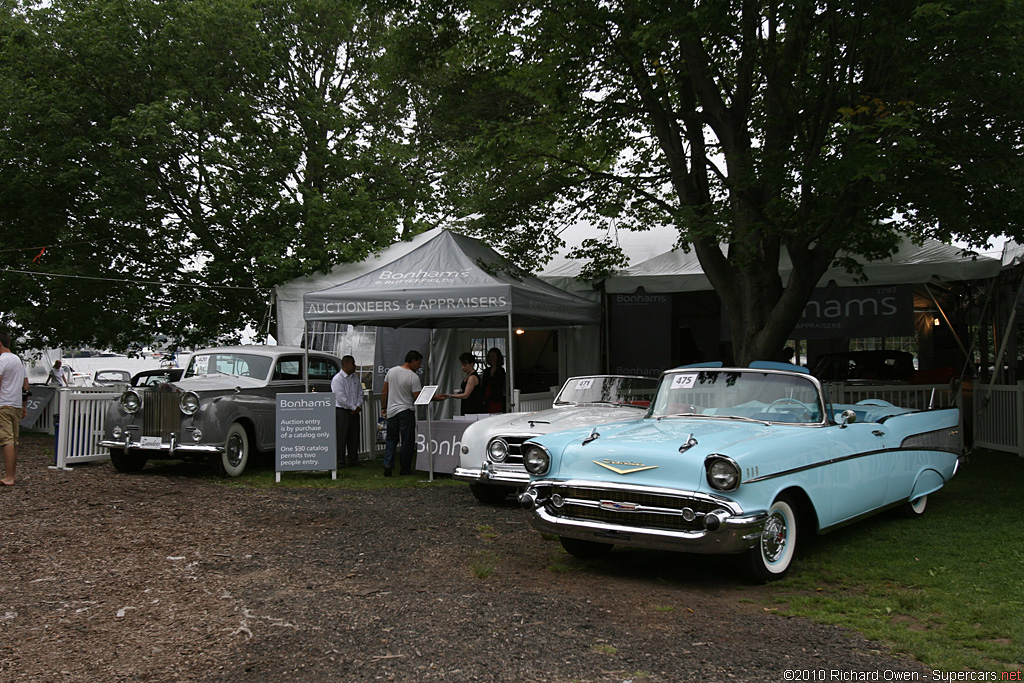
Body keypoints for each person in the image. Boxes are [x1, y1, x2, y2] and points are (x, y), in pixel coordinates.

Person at [380, 350, 446, 477]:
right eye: (419, 363)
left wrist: (384, 407)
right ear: (413, 361)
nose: (419, 366)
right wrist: (435, 397)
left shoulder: (391, 371)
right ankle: (404, 469)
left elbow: (384, 391)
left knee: (391, 440)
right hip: (406, 411)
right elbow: (417, 396)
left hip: (392, 411)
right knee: (407, 441)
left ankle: (388, 464)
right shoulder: (413, 377)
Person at [0, 332, 28, 487]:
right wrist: (24, 406)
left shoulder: (2, 361)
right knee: (13, 441)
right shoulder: (18, 360)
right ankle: (12, 474)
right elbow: (26, 385)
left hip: (3, 405)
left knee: (6, 440)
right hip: (16, 405)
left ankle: (9, 477)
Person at [330, 355, 363, 468]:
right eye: (353, 363)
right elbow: (340, 397)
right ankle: (340, 461)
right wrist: (353, 407)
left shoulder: (355, 378)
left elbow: (360, 392)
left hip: (354, 411)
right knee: (341, 436)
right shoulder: (337, 379)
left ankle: (353, 460)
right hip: (342, 411)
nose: (355, 366)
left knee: (354, 437)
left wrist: (358, 405)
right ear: (346, 364)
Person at [480, 347, 506, 413]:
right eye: (490, 357)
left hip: (495, 399)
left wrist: (489, 398)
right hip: (485, 399)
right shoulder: (486, 371)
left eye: (494, 357)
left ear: (498, 357)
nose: (492, 359)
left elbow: (498, 386)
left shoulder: (501, 371)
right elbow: (483, 386)